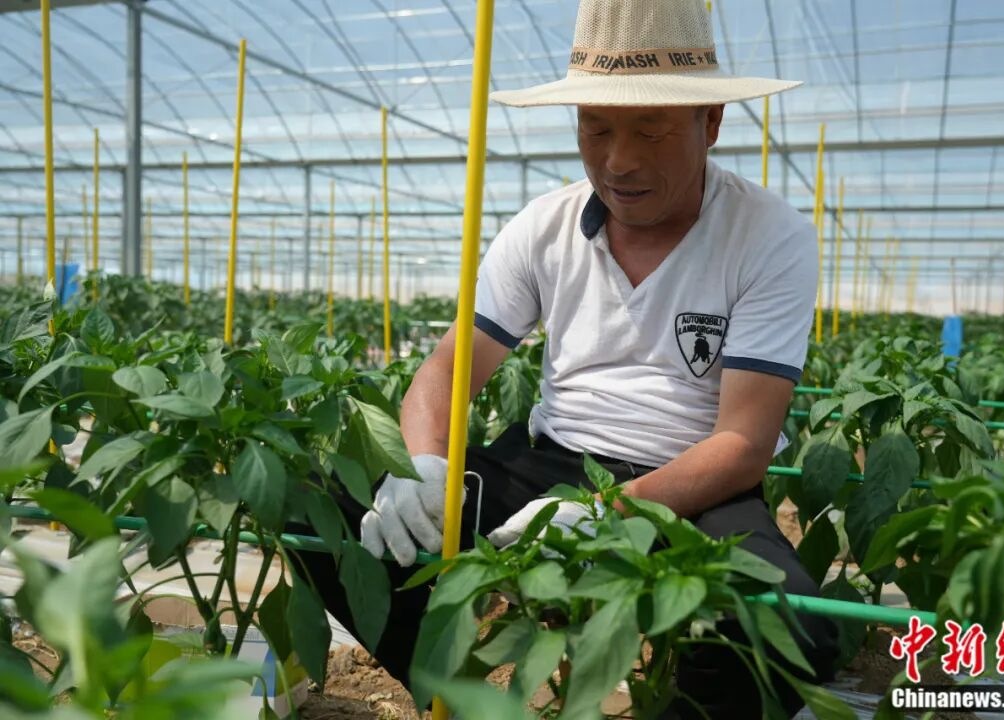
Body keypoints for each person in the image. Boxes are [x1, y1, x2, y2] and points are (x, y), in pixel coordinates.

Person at [297, 0, 838, 716]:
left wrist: (605, 511)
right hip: (552, 462)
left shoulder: (768, 234)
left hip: (694, 481)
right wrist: (423, 463)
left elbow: (742, 444)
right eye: (595, 127)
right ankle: (458, 695)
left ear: (710, 122)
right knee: (320, 509)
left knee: (792, 628)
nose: (619, 160)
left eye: (650, 130)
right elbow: (446, 372)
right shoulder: (543, 226)